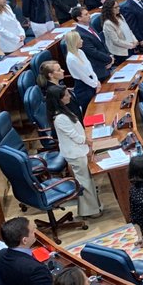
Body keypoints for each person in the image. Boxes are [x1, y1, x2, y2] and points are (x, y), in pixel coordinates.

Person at [45, 85, 103, 218]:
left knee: (87, 180)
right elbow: (76, 137)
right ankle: (90, 211)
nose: (69, 96)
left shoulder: (65, 112)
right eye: (66, 95)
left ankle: (93, 208)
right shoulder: (60, 118)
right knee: (84, 182)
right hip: (75, 153)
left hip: (79, 150)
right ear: (59, 100)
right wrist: (88, 141)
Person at [62, 29, 98, 115]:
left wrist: (96, 81)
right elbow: (83, 76)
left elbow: (90, 69)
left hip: (91, 82)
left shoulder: (80, 52)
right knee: (90, 112)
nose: (82, 41)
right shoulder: (71, 58)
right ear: (74, 42)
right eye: (79, 39)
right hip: (83, 88)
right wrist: (95, 85)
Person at [100, 0, 138, 65]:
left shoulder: (120, 17)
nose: (118, 8)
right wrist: (131, 45)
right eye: (115, 7)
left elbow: (129, 30)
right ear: (109, 9)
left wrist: (135, 40)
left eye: (118, 6)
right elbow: (116, 41)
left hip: (130, 47)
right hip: (120, 52)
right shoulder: (108, 23)